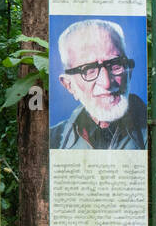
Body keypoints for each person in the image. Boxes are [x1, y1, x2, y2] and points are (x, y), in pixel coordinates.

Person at [50, 19, 147, 150]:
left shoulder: (155, 131)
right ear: (69, 85)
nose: (106, 83)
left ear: (129, 72)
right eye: (89, 70)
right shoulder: (53, 140)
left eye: (115, 65)